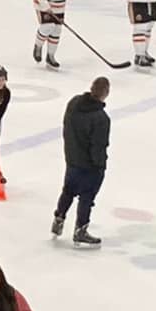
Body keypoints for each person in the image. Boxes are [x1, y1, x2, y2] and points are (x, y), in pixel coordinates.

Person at [53, 76, 111, 246]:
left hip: (72, 158)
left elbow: (66, 126)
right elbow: (98, 146)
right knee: (86, 198)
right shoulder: (101, 118)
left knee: (68, 191)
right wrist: (100, 165)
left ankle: (58, 219)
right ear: (106, 93)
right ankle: (81, 230)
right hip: (89, 166)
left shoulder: (74, 103)